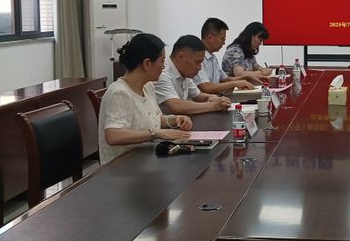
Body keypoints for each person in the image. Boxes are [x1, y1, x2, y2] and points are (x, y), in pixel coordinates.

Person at [98, 33, 192, 165]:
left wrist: (174, 120)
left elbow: (152, 119)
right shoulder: (119, 93)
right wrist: (155, 133)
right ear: (147, 63)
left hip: (147, 159)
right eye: (162, 61)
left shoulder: (147, 86)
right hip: (123, 167)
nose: (163, 67)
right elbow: (113, 136)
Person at [154, 34, 232, 116]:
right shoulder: (161, 72)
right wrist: (213, 106)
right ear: (181, 57)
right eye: (197, 62)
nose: (200, 68)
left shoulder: (184, 72)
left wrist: (212, 98)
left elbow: (198, 95)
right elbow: (176, 105)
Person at [194, 17, 259, 94]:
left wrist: (247, 77)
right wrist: (236, 83)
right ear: (210, 38)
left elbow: (225, 79)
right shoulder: (197, 58)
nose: (224, 43)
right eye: (223, 39)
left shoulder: (212, 57)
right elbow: (206, 87)